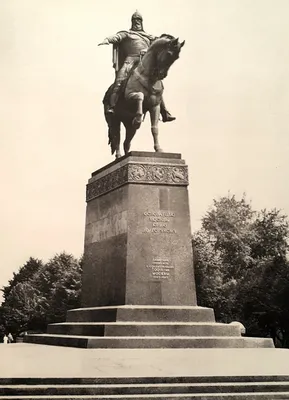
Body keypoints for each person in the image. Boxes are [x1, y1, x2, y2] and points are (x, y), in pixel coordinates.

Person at [98, 10, 175, 122]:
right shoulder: (127, 34)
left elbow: (160, 41)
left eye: (138, 20)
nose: (137, 22)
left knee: (157, 84)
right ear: (132, 22)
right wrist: (107, 40)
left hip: (144, 62)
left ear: (142, 22)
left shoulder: (148, 36)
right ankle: (112, 106)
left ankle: (164, 112)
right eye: (135, 20)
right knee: (120, 80)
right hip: (130, 61)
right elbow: (117, 37)